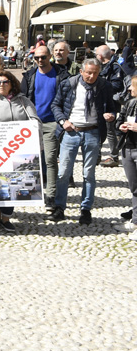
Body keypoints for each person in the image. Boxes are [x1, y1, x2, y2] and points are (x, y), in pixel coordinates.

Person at [51, 58, 117, 224]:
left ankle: (86, 209)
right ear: (81, 71)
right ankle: (59, 207)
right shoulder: (69, 84)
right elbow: (56, 105)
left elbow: (112, 107)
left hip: (93, 131)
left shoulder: (104, 86)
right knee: (64, 172)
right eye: (88, 72)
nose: (91, 76)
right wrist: (62, 121)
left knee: (89, 173)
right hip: (71, 131)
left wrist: (110, 115)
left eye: (95, 73)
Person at [0, 70, 39, 233]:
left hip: (17, 150)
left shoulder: (24, 102)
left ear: (12, 84)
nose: (2, 85)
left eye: (5, 82)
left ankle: (6, 218)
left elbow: (35, 121)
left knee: (13, 183)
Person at [21, 45, 70, 210]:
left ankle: (50, 195)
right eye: (37, 58)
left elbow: (68, 98)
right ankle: (28, 191)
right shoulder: (29, 76)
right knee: (29, 159)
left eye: (43, 57)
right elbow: (22, 98)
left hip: (52, 123)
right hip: (32, 122)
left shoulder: (61, 75)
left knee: (50, 159)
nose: (40, 60)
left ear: (50, 56)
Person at [113, 74, 137, 239]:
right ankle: (135, 221)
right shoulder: (129, 104)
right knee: (134, 189)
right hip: (127, 149)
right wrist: (120, 126)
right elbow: (117, 122)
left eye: (132, 86)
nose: (129, 88)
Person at [96, 44, 126, 167]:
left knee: (110, 130)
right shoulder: (99, 66)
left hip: (110, 103)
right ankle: (96, 155)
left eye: (96, 54)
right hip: (97, 102)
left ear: (101, 56)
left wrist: (101, 85)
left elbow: (117, 85)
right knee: (96, 128)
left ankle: (114, 157)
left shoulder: (115, 67)